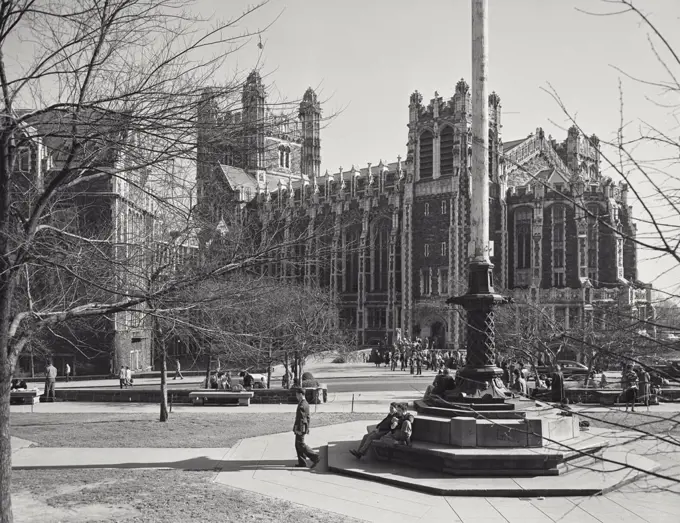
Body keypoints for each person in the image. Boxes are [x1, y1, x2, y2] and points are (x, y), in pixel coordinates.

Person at [292, 386, 320, 468]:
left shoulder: (302, 405)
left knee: (301, 445)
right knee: (298, 445)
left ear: (300, 394)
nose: (296, 396)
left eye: (297, 394)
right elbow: (308, 418)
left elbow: (301, 419)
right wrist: (307, 428)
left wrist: (299, 429)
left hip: (301, 428)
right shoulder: (306, 403)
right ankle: (302, 462)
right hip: (303, 427)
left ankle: (314, 457)